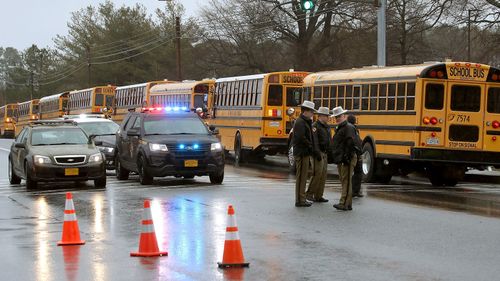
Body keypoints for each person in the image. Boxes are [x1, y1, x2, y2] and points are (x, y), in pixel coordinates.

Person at [331, 106, 359, 211]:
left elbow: (351, 143)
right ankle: (347, 203)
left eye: (339, 116)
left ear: (344, 116)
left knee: (346, 181)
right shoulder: (342, 127)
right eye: (336, 117)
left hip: (347, 158)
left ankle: (344, 203)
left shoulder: (348, 127)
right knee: (344, 180)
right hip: (343, 158)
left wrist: (347, 157)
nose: (337, 118)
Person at [292, 100, 316, 207]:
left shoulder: (304, 121)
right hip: (301, 153)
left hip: (304, 152)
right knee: (301, 177)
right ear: (305, 111)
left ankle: (301, 198)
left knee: (303, 176)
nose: (312, 114)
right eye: (311, 111)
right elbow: (301, 138)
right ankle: (300, 199)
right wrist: (310, 145)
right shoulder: (300, 122)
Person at [306, 107, 331, 203]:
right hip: (318, 152)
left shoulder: (327, 126)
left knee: (323, 175)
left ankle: (318, 195)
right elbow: (314, 141)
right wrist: (317, 153)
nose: (328, 118)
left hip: (325, 152)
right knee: (317, 173)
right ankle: (309, 193)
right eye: (326, 116)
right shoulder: (315, 126)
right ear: (321, 116)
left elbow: (329, 139)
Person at [348, 114, 364, 198]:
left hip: (356, 153)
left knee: (357, 172)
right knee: (356, 172)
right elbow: (356, 141)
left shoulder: (354, 129)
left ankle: (355, 191)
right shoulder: (352, 129)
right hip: (354, 153)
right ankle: (354, 191)